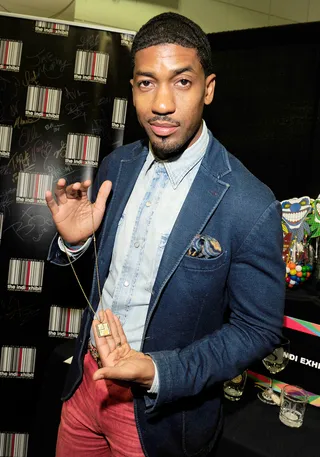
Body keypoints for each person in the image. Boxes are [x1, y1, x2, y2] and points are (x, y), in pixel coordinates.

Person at [46, 11, 285, 457]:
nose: (160, 104)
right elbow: (105, 278)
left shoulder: (249, 204)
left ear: (208, 89)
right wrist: (76, 242)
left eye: (181, 82)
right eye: (145, 83)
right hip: (85, 391)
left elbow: (257, 328)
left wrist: (157, 371)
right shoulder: (118, 166)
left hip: (158, 421)